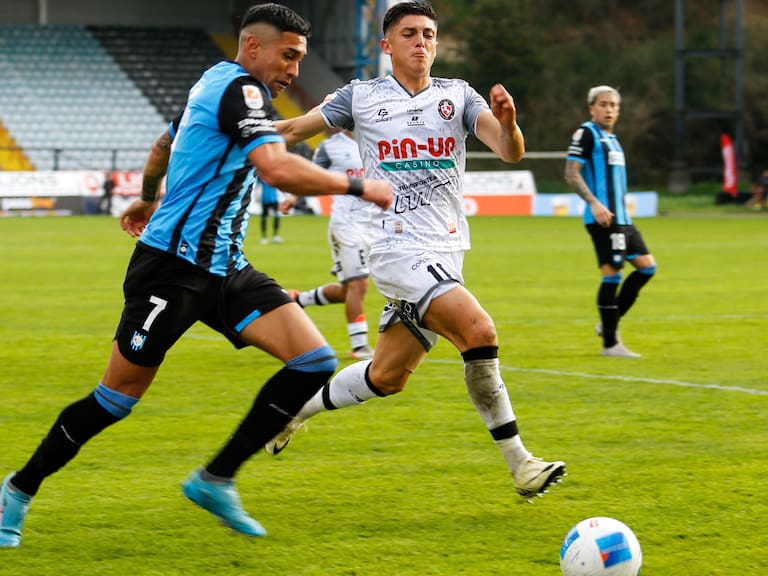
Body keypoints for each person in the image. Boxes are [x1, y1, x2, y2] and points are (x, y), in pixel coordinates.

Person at [0, 3, 392, 548]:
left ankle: (216, 478)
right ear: (254, 47)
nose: (295, 71)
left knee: (314, 361)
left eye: (301, 59)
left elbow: (163, 146)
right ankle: (18, 489)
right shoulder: (241, 91)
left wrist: (146, 198)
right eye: (289, 55)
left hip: (225, 267)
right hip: (172, 270)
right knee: (115, 400)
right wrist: (361, 187)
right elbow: (276, 169)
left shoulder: (212, 83)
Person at [268, 1, 566, 499]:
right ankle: (521, 463)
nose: (421, 42)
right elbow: (295, 128)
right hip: (396, 248)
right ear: (387, 45)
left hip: (447, 251)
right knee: (479, 330)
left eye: (428, 33)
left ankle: (291, 411)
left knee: (387, 377)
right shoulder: (360, 97)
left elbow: (509, 151)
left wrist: (510, 123)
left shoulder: (458, 96)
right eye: (409, 33)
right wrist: (230, 136)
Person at [564, 85, 657, 358]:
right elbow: (571, 173)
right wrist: (594, 203)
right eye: (603, 104)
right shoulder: (586, 134)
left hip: (624, 220)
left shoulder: (612, 138)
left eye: (614, 105)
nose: (609, 110)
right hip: (604, 220)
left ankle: (607, 324)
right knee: (613, 275)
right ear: (592, 108)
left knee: (647, 268)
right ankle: (610, 344)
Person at [283, 129, 375, 360]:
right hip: (347, 225)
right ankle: (360, 346)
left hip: (377, 225)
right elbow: (311, 175)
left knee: (349, 290)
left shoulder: (379, 136)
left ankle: (299, 299)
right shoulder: (331, 146)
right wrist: (294, 198)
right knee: (358, 285)